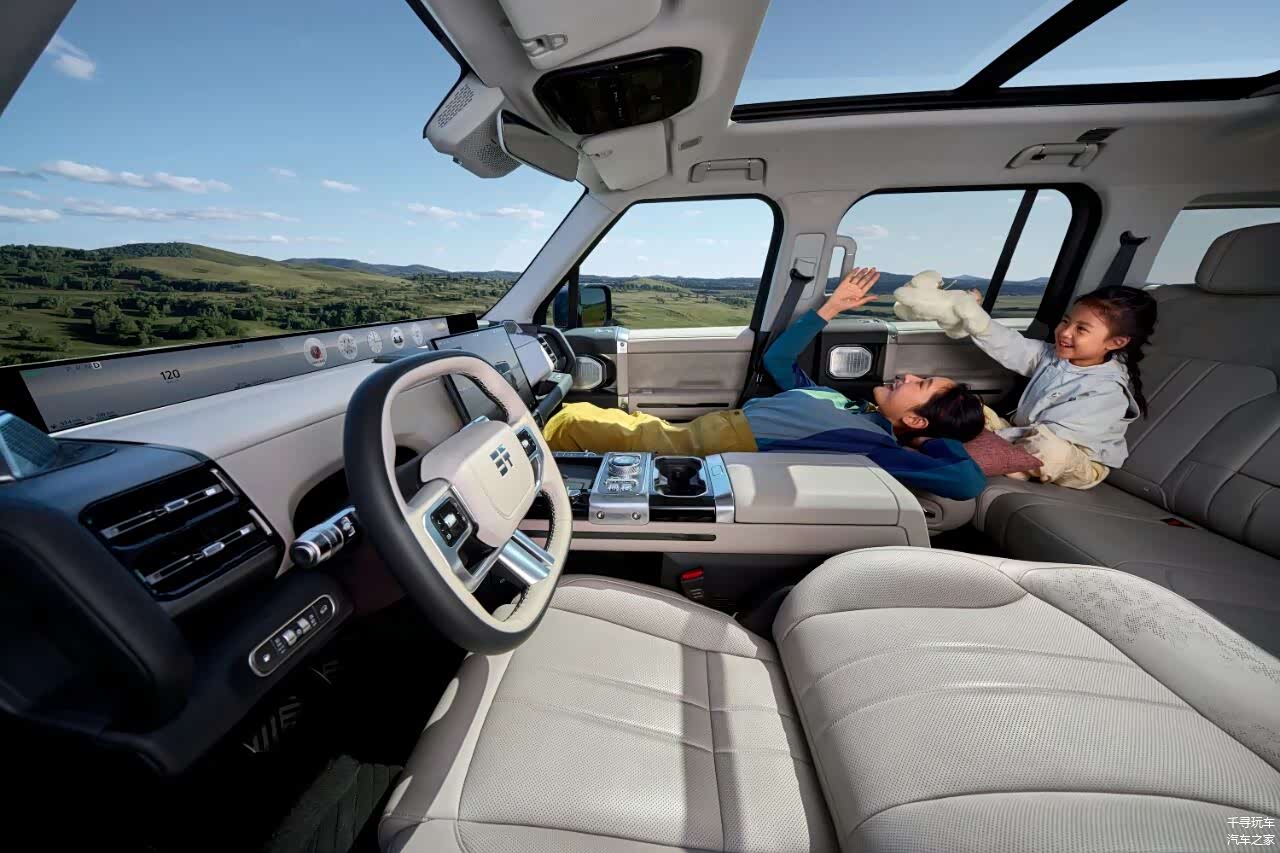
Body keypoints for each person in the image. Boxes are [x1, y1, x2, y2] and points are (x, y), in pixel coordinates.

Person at [544, 267, 988, 499]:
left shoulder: (872, 445)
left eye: (921, 384)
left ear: (915, 419)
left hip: (705, 447)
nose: (908, 375)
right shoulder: (839, 403)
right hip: (696, 431)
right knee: (587, 414)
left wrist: (932, 440)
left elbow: (965, 482)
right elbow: (778, 359)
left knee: (574, 424)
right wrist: (832, 308)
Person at [953, 283, 1157, 489]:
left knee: (1048, 448)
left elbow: (1054, 434)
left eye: (1081, 329)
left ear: (1115, 342)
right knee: (968, 408)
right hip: (1024, 434)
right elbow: (1013, 346)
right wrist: (977, 319)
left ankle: (1004, 462)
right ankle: (1008, 458)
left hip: (1075, 459)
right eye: (1066, 321)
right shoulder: (1053, 356)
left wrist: (995, 436)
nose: (1065, 332)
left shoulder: (1106, 391)